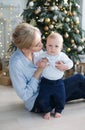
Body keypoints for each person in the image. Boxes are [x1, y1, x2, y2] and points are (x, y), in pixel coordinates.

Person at [9, 23, 85, 119]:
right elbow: (25, 95)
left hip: (51, 87)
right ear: (25, 48)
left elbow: (52, 65)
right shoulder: (16, 63)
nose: (42, 46)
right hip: (38, 101)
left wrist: (61, 66)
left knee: (79, 87)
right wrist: (39, 70)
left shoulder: (37, 53)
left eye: (41, 41)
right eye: (37, 45)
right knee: (79, 81)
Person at [34, 32, 73, 119]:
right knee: (43, 98)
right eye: (50, 45)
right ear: (46, 45)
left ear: (61, 47)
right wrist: (40, 63)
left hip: (58, 82)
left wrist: (64, 66)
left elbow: (71, 63)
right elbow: (36, 61)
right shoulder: (43, 55)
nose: (52, 48)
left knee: (61, 97)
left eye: (56, 46)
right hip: (46, 82)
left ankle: (58, 110)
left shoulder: (62, 56)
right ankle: (46, 110)